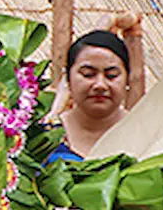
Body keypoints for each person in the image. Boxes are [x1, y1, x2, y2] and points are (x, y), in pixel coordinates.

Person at [48, 13, 145, 163]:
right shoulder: (43, 137)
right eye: (88, 74)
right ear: (68, 78)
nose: (100, 85)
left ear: (127, 79)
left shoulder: (145, 137)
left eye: (111, 75)